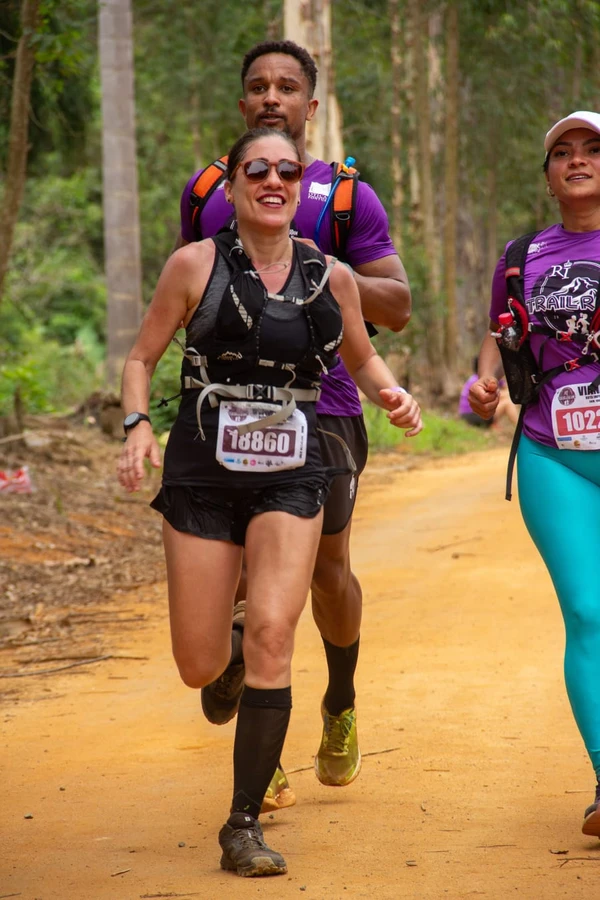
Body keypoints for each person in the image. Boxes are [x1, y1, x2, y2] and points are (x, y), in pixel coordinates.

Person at [118, 127, 422, 876]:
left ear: (299, 182)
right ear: (233, 186)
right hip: (202, 472)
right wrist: (135, 429)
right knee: (197, 663)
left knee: (275, 637)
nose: (274, 180)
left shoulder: (331, 275)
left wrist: (389, 391)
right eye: (258, 168)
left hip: (293, 470)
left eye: (288, 169)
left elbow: (361, 351)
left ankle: (242, 824)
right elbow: (140, 356)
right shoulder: (194, 265)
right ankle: (221, 665)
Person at [174, 39, 412, 811]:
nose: (272, 97)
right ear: (242, 104)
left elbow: (398, 303)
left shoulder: (347, 198)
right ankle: (259, 729)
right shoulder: (211, 189)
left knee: (322, 569)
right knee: (239, 568)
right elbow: (193, 289)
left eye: (288, 88)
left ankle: (339, 700)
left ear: (312, 108)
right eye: (258, 87)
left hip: (328, 405)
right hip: (225, 410)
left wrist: (319, 272)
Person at [469, 110, 600, 839]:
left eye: (592, 149)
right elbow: (500, 333)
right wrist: (484, 387)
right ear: (548, 175)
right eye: (562, 152)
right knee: (586, 611)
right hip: (554, 454)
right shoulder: (522, 255)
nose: (577, 160)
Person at [458, 357, 519, 428]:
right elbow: (500, 394)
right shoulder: (479, 381)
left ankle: (496, 425)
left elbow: (505, 389)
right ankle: (520, 427)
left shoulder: (475, 378)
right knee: (507, 402)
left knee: (507, 398)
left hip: (468, 415)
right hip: (472, 416)